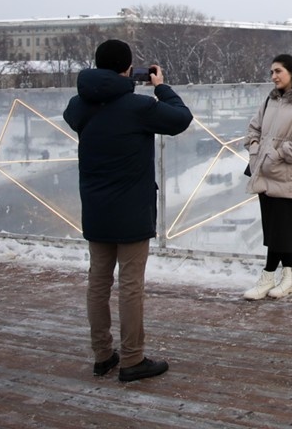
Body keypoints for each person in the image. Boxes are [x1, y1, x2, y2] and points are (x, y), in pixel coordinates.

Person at [63, 39, 192, 382]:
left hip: (95, 207)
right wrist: (161, 87)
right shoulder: (137, 107)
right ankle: (133, 359)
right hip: (131, 209)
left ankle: (103, 355)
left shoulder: (80, 105)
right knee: (130, 285)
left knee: (98, 282)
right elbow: (181, 119)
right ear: (127, 68)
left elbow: (72, 114)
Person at [242, 53, 292, 300]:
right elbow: (253, 128)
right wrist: (255, 148)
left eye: (278, 71)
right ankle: (291, 277)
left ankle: (267, 276)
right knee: (275, 229)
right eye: (272, 72)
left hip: (287, 174)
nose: (273, 76)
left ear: (291, 72)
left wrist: (277, 154)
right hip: (265, 172)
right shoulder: (270, 101)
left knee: (279, 229)